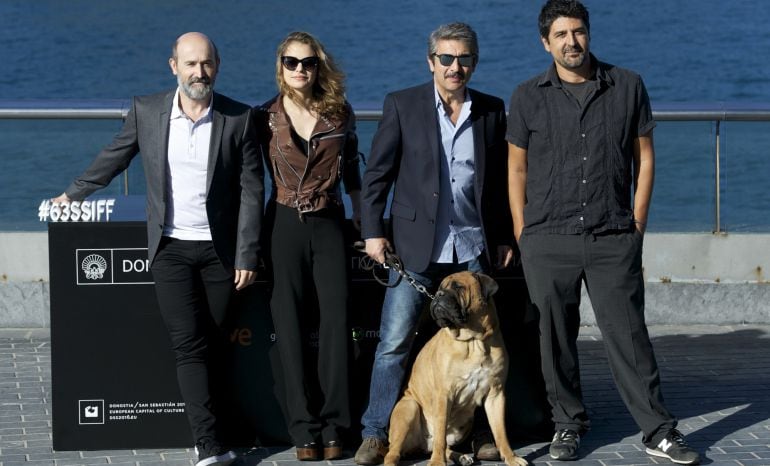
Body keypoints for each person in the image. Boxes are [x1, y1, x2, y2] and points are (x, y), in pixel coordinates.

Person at [52, 32, 263, 466]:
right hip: (169, 248)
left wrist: (246, 253)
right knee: (188, 345)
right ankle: (209, 446)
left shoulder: (239, 117)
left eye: (205, 64)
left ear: (217, 65)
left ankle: (224, 430)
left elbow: (252, 191)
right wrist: (74, 194)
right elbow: (115, 156)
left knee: (214, 344)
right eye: (190, 64)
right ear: (173, 67)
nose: (198, 72)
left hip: (220, 253)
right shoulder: (148, 111)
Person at [506, 1, 700, 464]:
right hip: (547, 236)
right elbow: (516, 168)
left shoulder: (627, 85)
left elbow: (645, 157)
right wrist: (523, 233)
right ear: (545, 42)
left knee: (629, 334)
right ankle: (567, 425)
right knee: (553, 339)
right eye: (561, 35)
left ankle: (657, 429)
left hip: (613, 234)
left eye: (578, 32)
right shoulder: (527, 95)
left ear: (588, 34)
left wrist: (638, 223)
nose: (571, 42)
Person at [355, 22, 513, 465]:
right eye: (446, 58)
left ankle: (482, 433)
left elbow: (497, 184)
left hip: (472, 248)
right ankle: (375, 433)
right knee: (393, 343)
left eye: (464, 58)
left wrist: (500, 236)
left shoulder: (490, 110)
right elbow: (377, 176)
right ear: (431, 62)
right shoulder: (402, 105)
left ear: (474, 62)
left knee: (487, 343)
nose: (455, 66)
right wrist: (373, 231)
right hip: (415, 248)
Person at [253, 31, 361, 462]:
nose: (300, 69)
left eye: (308, 62)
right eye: (291, 62)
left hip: (329, 223)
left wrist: (364, 220)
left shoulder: (340, 113)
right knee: (290, 328)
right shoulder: (264, 117)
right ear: (280, 66)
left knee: (337, 325)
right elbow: (248, 179)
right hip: (281, 224)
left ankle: (335, 428)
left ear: (320, 66)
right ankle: (303, 430)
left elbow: (353, 170)